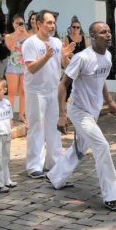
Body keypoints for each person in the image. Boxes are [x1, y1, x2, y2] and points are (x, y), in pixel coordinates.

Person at [46, 21, 116, 211]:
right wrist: (62, 115)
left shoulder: (107, 56)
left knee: (80, 147)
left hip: (94, 110)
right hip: (78, 110)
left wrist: (110, 101)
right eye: (103, 32)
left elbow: (101, 80)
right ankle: (111, 196)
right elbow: (63, 85)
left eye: (109, 31)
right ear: (93, 36)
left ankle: (55, 176)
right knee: (101, 146)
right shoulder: (82, 58)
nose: (108, 34)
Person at [22, 10, 74, 179]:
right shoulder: (30, 43)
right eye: (49, 22)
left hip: (53, 90)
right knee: (36, 127)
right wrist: (46, 56)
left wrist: (66, 57)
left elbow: (63, 64)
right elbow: (31, 68)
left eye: (53, 22)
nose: (53, 26)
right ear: (39, 24)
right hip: (36, 91)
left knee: (54, 127)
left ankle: (54, 162)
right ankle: (34, 165)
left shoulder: (57, 42)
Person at [5, 15, 28, 122]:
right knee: (12, 93)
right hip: (13, 66)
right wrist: (17, 34)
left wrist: (25, 33)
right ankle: (9, 117)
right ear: (13, 24)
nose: (19, 25)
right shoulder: (8, 36)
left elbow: (31, 46)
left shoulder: (27, 35)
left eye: (21, 23)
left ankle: (21, 115)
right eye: (17, 23)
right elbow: (11, 48)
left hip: (24, 66)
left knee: (24, 92)